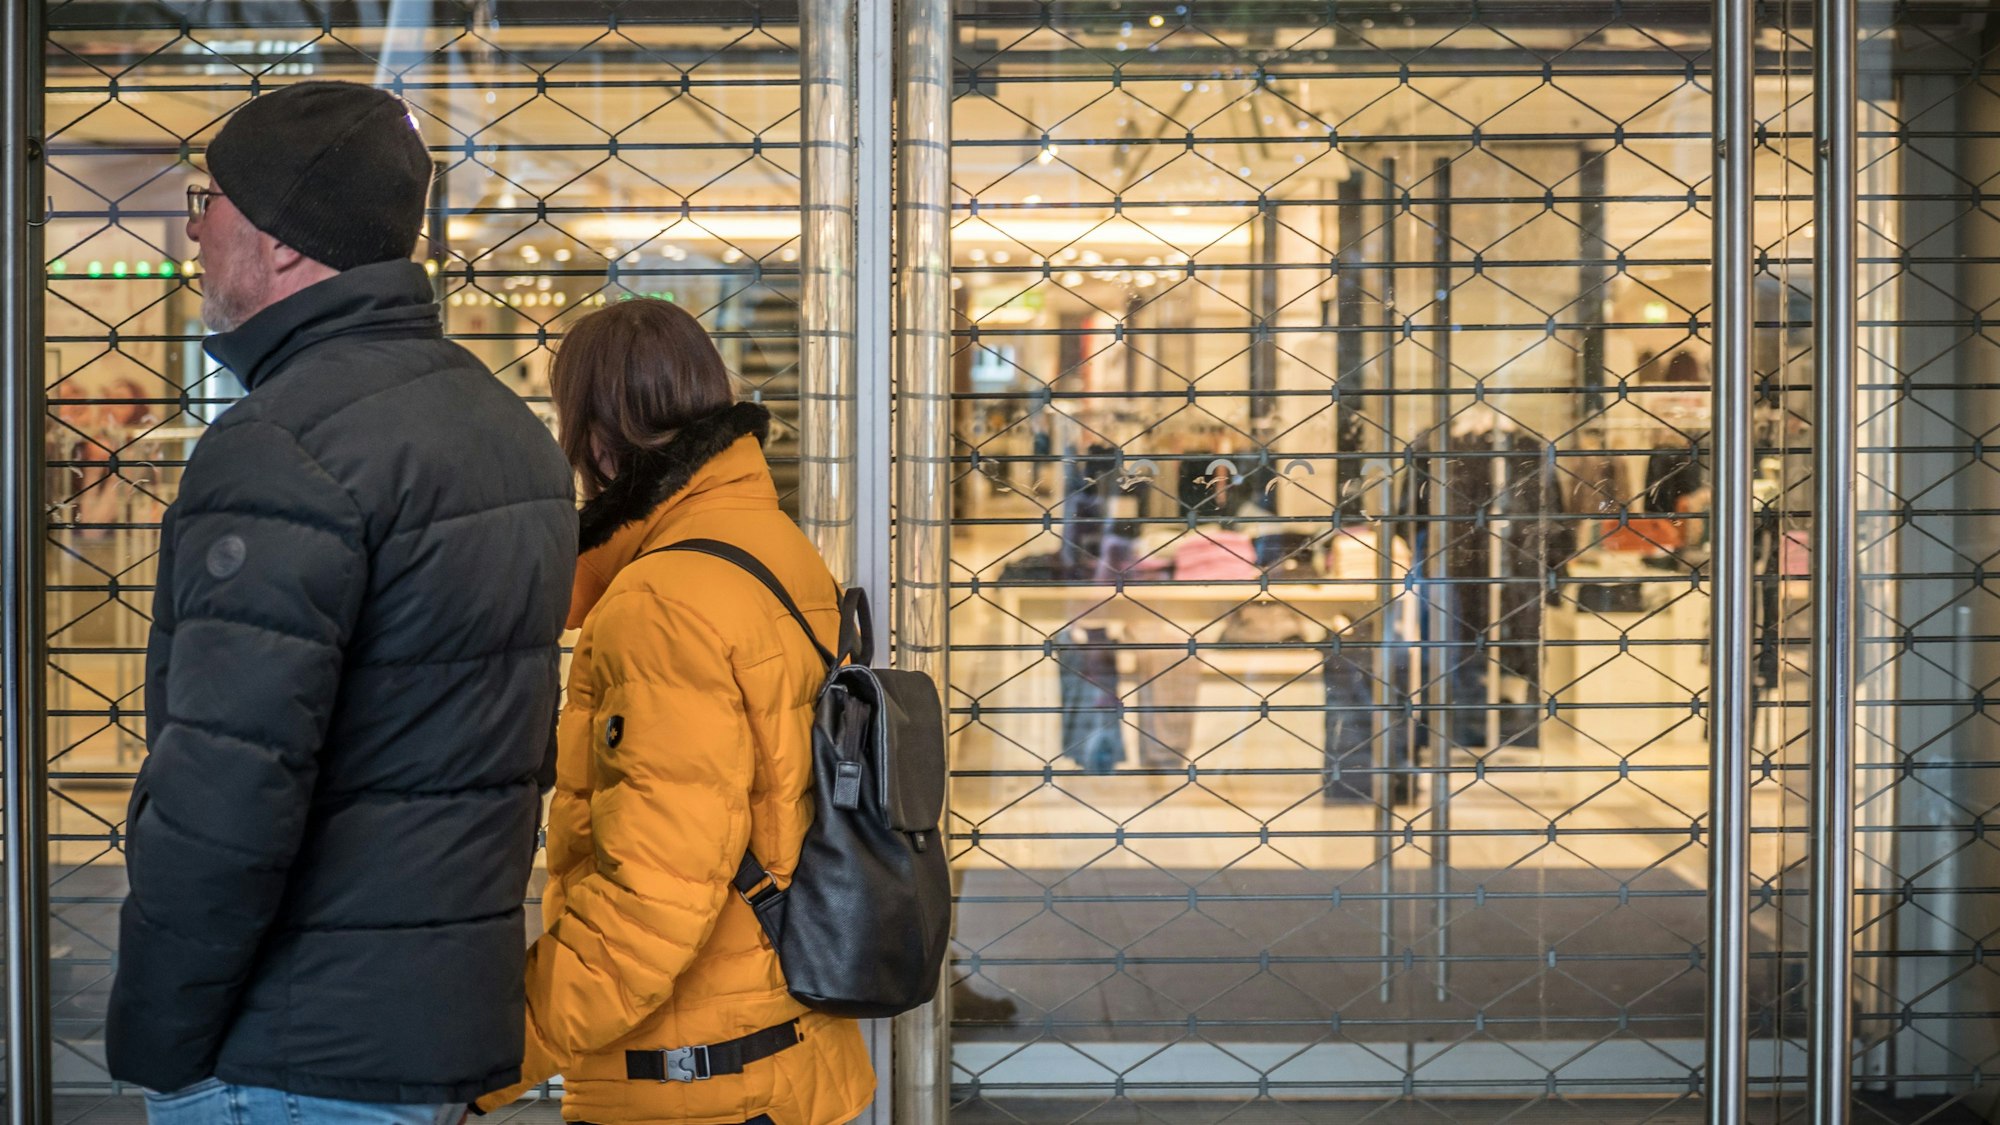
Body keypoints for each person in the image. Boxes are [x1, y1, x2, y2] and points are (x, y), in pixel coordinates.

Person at [106, 81, 578, 1123]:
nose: (193, 231)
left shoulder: (284, 446)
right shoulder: (505, 431)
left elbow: (227, 795)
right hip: (427, 1038)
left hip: (280, 1056)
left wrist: (160, 1039)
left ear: (279, 239)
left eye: (209, 200)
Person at [472, 299, 874, 1124]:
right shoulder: (774, 549)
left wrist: (483, 1060)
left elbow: (651, 895)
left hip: (695, 1082)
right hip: (785, 1048)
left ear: (590, 437)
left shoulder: (660, 601)